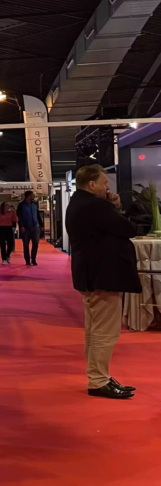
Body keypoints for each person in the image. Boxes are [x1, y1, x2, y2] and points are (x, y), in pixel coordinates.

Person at [65, 164, 141, 399]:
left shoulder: (78, 203)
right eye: (104, 183)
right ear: (92, 184)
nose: (107, 187)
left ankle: (99, 376)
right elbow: (128, 228)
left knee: (95, 329)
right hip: (103, 275)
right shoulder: (96, 206)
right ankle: (98, 380)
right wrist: (115, 207)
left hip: (90, 275)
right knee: (105, 331)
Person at [17, 190, 42, 266]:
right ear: (28, 196)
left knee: (35, 243)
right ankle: (27, 260)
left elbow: (37, 215)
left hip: (35, 227)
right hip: (26, 228)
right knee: (26, 244)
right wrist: (21, 226)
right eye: (32, 195)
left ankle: (33, 259)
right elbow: (19, 216)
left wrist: (41, 225)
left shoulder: (35, 204)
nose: (34, 196)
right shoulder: (21, 205)